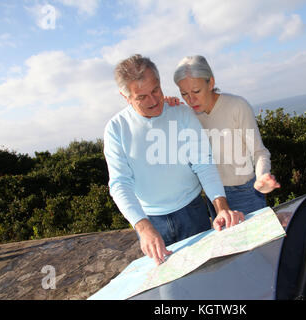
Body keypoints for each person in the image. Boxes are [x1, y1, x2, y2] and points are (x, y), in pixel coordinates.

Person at [104, 54, 244, 265]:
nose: (153, 101)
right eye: (142, 97)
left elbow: (203, 163)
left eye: (156, 90)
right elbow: (119, 183)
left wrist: (221, 207)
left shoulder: (181, 113)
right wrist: (143, 228)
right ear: (126, 98)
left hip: (193, 212)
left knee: (209, 271)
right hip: (151, 222)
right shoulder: (116, 129)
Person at [173, 55, 280, 218]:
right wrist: (167, 105)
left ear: (211, 83)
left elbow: (259, 152)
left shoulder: (237, 106)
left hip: (246, 193)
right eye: (184, 94)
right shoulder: (189, 116)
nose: (191, 99)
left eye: (196, 91)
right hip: (214, 197)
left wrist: (262, 176)